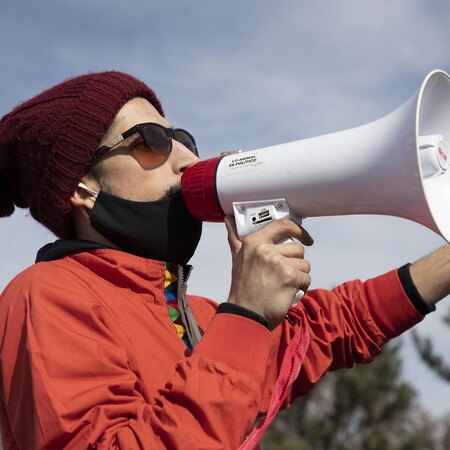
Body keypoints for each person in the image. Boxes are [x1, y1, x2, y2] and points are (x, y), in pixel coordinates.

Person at [0, 71, 447, 450]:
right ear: (81, 188)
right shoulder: (47, 296)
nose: (189, 158)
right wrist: (247, 314)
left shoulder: (202, 320)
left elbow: (334, 326)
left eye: (184, 139)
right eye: (151, 141)